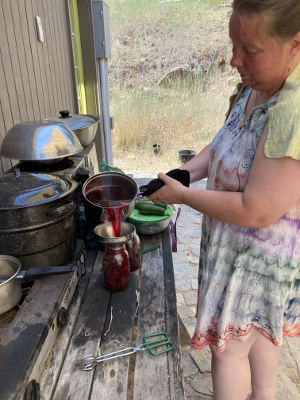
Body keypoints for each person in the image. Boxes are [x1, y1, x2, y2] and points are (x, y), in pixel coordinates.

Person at [147, 1, 300, 399]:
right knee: (261, 336)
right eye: (234, 44)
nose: (235, 61)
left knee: (228, 349)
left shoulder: (292, 110)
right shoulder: (257, 86)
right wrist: (186, 174)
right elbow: (221, 144)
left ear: (295, 46)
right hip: (239, 252)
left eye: (250, 51)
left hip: (257, 261)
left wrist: (184, 196)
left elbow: (258, 210)